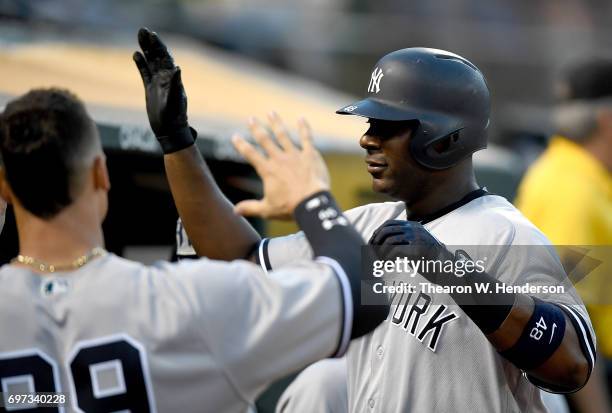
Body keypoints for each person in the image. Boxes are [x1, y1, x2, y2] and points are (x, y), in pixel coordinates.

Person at [135, 27, 596, 412]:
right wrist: (177, 142)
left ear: (443, 138)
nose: (367, 140)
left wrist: (449, 268)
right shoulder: (368, 225)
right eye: (369, 125)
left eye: (386, 127)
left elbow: (571, 364)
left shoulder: (505, 233)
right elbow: (240, 255)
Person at [0, 88, 391, 412]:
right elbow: (364, 291)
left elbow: (54, 396)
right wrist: (312, 197)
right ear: (101, 174)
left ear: (4, 187)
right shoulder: (185, 301)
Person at [516, 57, 612, 413]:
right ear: (606, 120)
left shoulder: (571, 173)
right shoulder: (574, 190)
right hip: (579, 384)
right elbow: (567, 327)